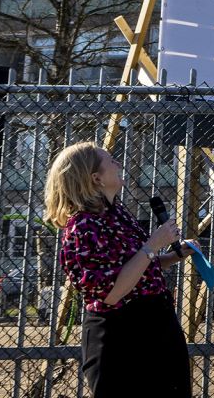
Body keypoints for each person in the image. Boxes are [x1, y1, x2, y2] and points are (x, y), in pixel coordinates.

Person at [45, 141, 194, 397]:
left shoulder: (117, 214)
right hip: (121, 335)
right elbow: (112, 292)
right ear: (96, 178)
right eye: (111, 161)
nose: (118, 164)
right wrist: (153, 244)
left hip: (157, 325)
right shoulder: (84, 227)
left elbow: (135, 268)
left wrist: (172, 256)